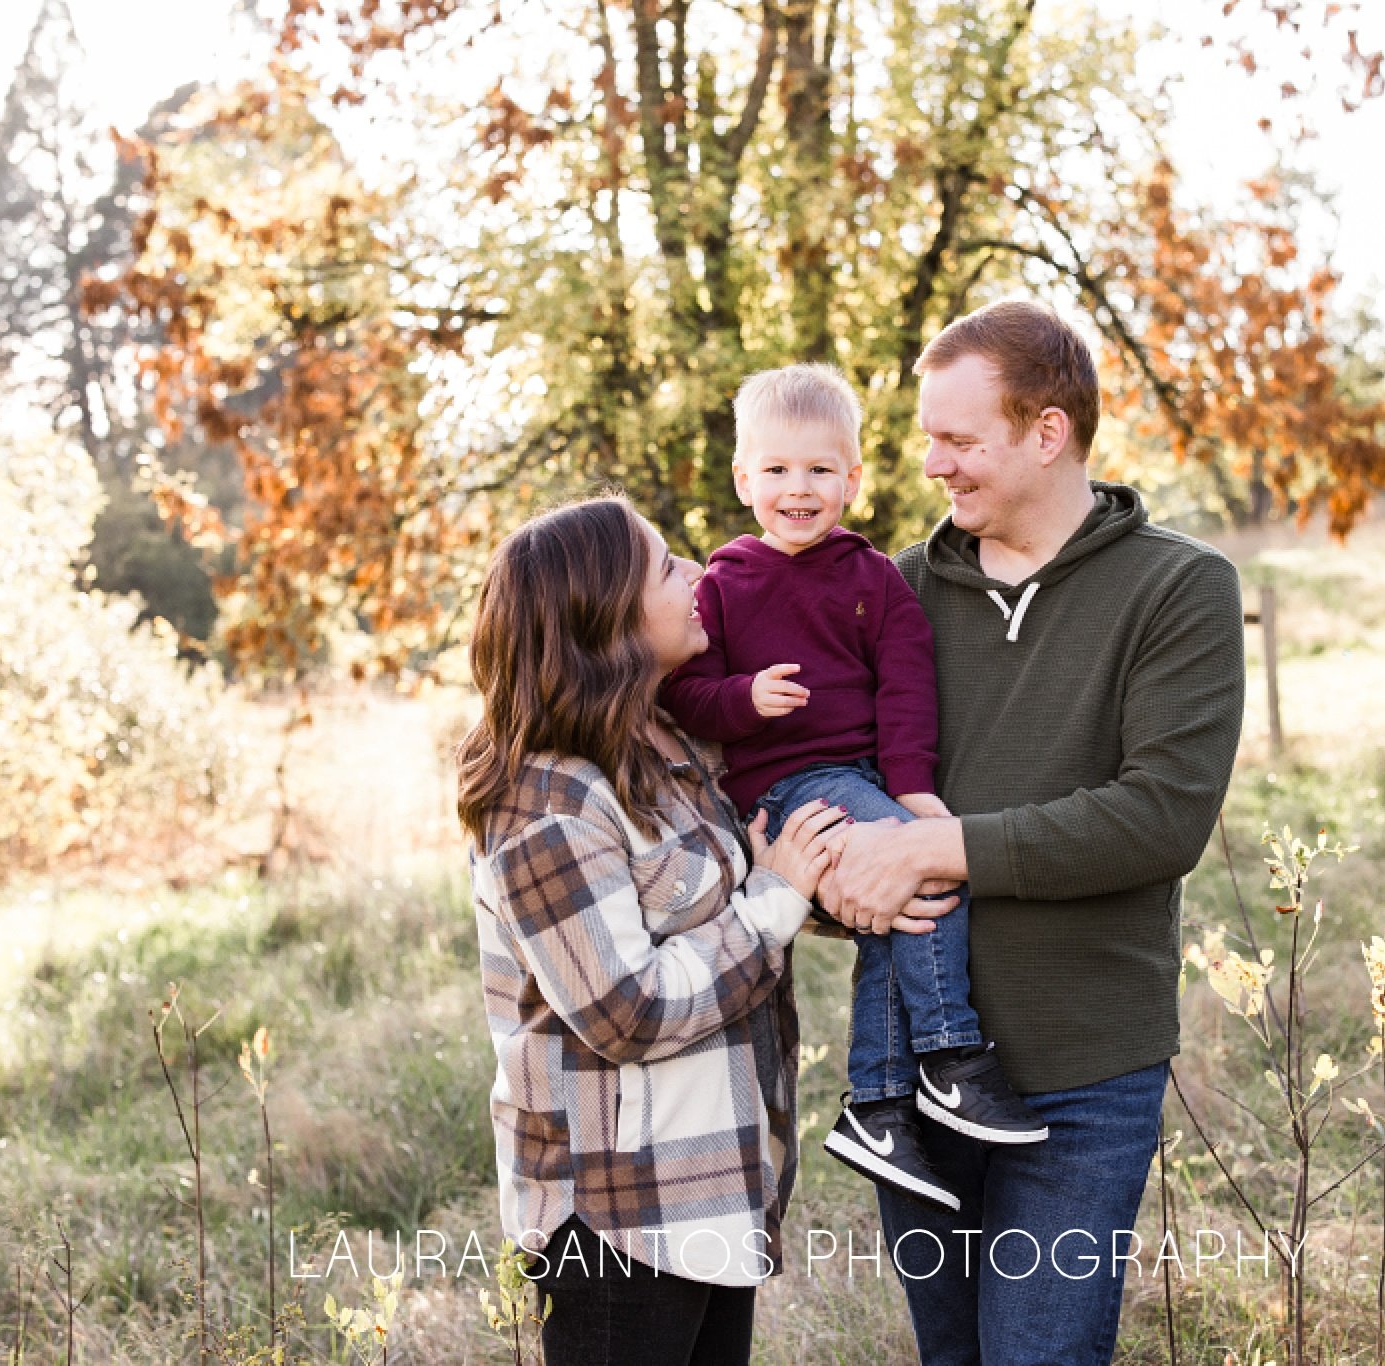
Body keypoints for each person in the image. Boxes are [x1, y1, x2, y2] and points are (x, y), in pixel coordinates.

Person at [819, 300, 1247, 1366]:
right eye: (928, 438)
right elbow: (837, 796)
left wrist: (936, 848)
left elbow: (1159, 815)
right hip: (917, 1081)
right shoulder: (895, 593)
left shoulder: (1177, 588)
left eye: (959, 440)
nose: (933, 464)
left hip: (1081, 1074)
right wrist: (836, 875)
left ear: (1045, 432)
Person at [458, 496, 884, 1366]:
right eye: (665, 566)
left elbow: (760, 883)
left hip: (712, 1193)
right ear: (607, 619)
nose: (697, 574)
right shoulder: (545, 802)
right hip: (616, 1221)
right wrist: (773, 898)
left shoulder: (668, 747)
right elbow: (628, 1012)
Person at [661, 364, 1048, 1217]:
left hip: (867, 780)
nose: (798, 490)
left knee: (890, 910)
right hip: (789, 789)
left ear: (853, 480)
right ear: (743, 479)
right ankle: (949, 1057)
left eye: (819, 471)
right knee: (929, 878)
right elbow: (683, 694)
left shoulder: (875, 580)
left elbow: (906, 688)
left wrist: (913, 795)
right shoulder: (721, 589)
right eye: (776, 471)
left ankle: (876, 1106)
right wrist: (742, 699)